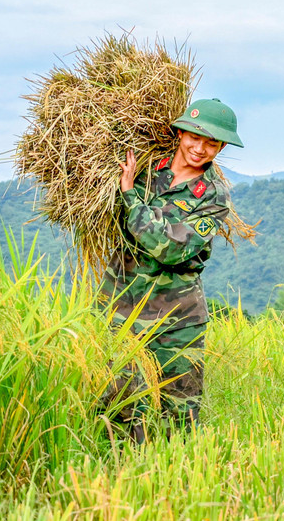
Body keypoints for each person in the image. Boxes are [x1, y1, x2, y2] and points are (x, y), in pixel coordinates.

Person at [99, 98, 243, 442]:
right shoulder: (145, 168)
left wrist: (130, 196)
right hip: (120, 307)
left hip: (177, 319)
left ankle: (177, 483)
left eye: (211, 143)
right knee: (116, 405)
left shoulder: (212, 196)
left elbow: (173, 249)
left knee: (179, 413)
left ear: (221, 147)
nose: (200, 148)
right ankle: (121, 481)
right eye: (195, 137)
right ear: (180, 132)